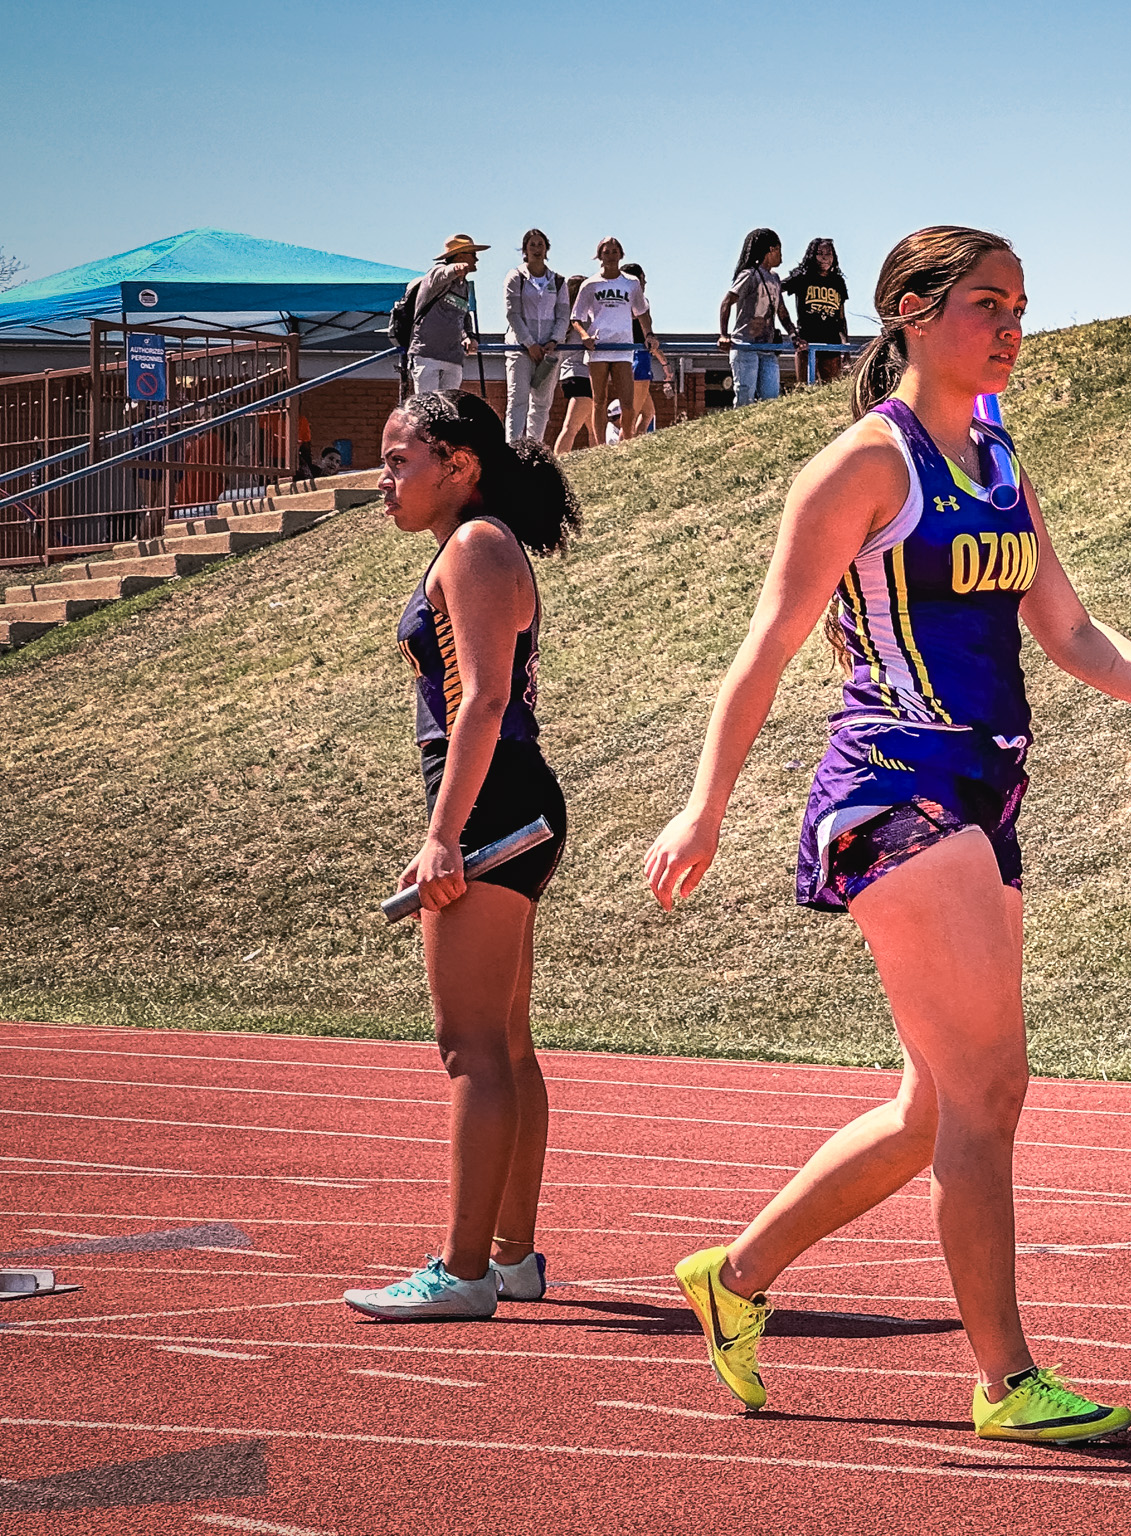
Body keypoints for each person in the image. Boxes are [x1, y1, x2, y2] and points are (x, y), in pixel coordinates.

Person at [642, 226, 1131, 1442]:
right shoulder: (859, 468)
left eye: (1022, 306)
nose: (1011, 327)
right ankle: (1004, 1381)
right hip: (891, 785)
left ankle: (731, 1280)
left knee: (933, 1109)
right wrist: (704, 804)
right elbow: (768, 645)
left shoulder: (997, 459)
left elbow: (1072, 633)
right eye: (988, 303)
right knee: (994, 1086)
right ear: (911, 311)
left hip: (990, 792)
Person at [342, 390, 579, 1322]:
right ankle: (511, 1260)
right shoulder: (476, 543)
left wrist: (443, 833)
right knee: (507, 1045)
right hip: (505, 798)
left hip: (492, 801)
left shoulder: (475, 546)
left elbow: (481, 702)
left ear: (459, 464)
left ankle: (464, 1269)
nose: (385, 479)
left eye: (401, 459)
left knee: (470, 1048)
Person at [570, 239, 656, 441]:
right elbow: (576, 317)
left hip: (623, 348)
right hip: (599, 349)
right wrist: (584, 336)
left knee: (628, 402)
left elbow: (642, 313)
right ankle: (600, 446)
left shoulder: (631, 283)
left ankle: (626, 442)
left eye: (614, 251)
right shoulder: (590, 284)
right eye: (606, 252)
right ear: (599, 255)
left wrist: (650, 334)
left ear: (621, 254)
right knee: (599, 400)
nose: (610, 255)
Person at [718, 227, 802, 407]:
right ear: (771, 250)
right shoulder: (749, 275)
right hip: (745, 345)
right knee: (745, 396)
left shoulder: (775, 278)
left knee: (770, 398)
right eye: (779, 250)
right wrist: (724, 335)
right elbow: (727, 302)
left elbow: (782, 312)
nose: (781, 256)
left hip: (768, 346)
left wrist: (793, 335)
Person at [503, 229, 571, 443]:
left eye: (540, 244)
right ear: (524, 250)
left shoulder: (558, 281)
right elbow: (512, 313)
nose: (536, 249)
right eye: (532, 245)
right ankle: (513, 449)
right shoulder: (515, 277)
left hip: (549, 352)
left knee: (542, 403)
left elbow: (563, 315)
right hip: (520, 350)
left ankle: (534, 447)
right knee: (518, 400)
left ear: (546, 248)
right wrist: (529, 344)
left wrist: (553, 341)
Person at [409, 235, 486, 396]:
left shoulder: (464, 285)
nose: (476, 259)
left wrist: (469, 336)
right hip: (427, 356)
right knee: (427, 411)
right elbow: (442, 273)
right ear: (459, 256)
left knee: (448, 413)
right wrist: (454, 269)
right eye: (472, 254)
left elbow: (464, 314)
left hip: (453, 359)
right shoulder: (435, 273)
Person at [784, 238, 851, 384]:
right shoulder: (802, 277)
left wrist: (846, 346)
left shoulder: (838, 281)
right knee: (805, 388)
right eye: (820, 253)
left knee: (831, 389)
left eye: (829, 253)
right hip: (806, 340)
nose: (825, 257)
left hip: (831, 341)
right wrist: (790, 328)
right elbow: (776, 289)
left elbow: (841, 317)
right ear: (812, 256)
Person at [620, 261, 672, 435]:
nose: (645, 284)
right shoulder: (639, 303)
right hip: (638, 359)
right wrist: (664, 364)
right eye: (644, 280)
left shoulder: (620, 304)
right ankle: (623, 451)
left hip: (627, 359)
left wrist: (664, 363)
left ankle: (634, 445)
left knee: (648, 412)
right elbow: (647, 340)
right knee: (631, 416)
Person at [553, 276, 599, 455]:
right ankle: (558, 463)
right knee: (571, 427)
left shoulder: (564, 316)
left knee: (593, 427)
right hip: (582, 373)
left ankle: (599, 465)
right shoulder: (584, 315)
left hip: (569, 373)